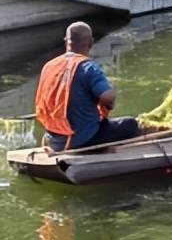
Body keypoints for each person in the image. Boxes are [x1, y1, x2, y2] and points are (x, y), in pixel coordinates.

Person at [35, 21, 140, 152]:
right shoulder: (88, 67)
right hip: (81, 140)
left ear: (66, 41)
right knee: (130, 124)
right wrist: (112, 91)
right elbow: (107, 98)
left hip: (53, 140)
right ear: (91, 42)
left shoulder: (49, 66)